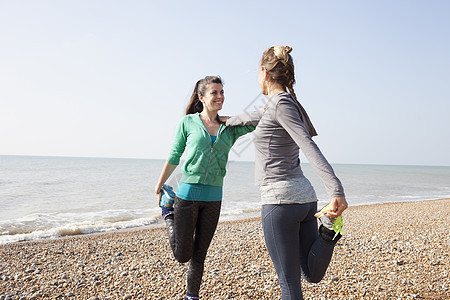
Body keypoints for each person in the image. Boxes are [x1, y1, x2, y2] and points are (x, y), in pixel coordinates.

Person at [226, 46, 348, 299]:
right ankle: (327, 231)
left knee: (289, 286)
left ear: (265, 73)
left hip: (280, 201)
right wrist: (221, 119)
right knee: (311, 274)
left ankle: (328, 230)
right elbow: (254, 116)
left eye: (258, 72)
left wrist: (336, 190)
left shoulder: (281, 105)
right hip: (304, 199)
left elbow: (307, 144)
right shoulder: (284, 103)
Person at [154, 75, 255, 300]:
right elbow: (174, 155)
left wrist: (233, 119)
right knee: (182, 255)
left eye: (222, 92)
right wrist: (160, 183)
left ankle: (192, 295)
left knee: (200, 255)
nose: (220, 96)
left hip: (213, 198)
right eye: (214, 93)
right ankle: (168, 213)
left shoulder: (229, 128)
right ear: (202, 97)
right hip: (187, 195)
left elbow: (258, 121)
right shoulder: (187, 123)